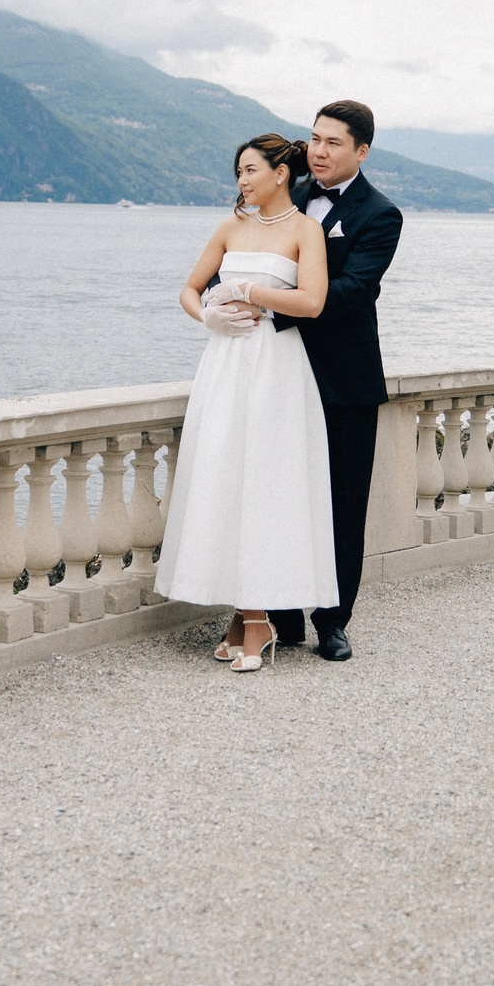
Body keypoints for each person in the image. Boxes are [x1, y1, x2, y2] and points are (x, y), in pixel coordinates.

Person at [215, 101, 401, 661]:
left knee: (342, 501)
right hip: (272, 375)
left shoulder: (380, 214)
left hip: (343, 380)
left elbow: (349, 294)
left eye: (333, 143)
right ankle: (281, 614)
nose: (318, 151)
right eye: (314, 139)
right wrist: (217, 309)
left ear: (360, 152)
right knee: (276, 493)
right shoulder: (282, 197)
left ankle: (334, 621)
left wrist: (271, 307)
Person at [154, 133, 338, 672]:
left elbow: (312, 302)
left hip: (276, 368)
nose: (241, 181)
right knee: (224, 476)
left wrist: (248, 292)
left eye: (250, 170)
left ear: (281, 173)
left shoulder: (307, 231)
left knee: (264, 482)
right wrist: (206, 314)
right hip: (224, 366)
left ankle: (254, 618)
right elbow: (190, 288)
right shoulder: (230, 226)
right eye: (238, 172)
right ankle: (244, 615)